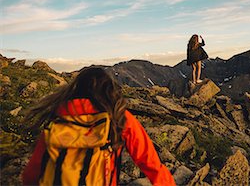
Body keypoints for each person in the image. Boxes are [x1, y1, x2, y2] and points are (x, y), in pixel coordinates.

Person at [22, 66, 175, 186]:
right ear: (109, 90)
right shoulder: (118, 118)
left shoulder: (60, 118)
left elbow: (31, 173)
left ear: (76, 89)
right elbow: (149, 161)